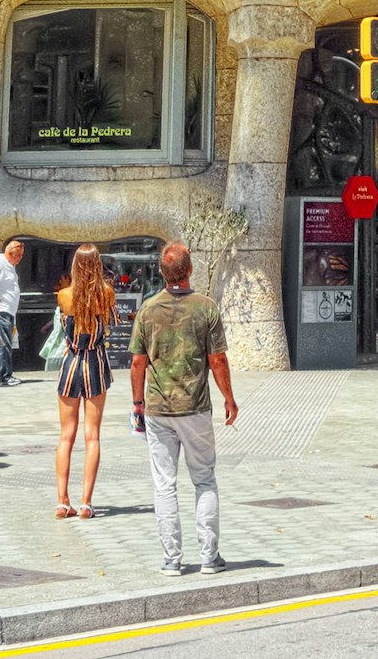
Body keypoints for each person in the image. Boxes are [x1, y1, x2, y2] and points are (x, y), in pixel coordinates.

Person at [126, 238, 236, 577]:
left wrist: (138, 404)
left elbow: (137, 363)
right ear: (190, 270)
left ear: (162, 272)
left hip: (159, 409)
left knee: (164, 484)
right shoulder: (205, 307)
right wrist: (229, 398)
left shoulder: (147, 309)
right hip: (196, 406)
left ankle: (171, 560)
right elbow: (217, 360)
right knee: (204, 480)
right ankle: (209, 557)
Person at [53, 244, 115, 519]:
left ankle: (62, 501)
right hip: (95, 363)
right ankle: (86, 502)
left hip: (71, 363)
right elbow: (109, 323)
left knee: (66, 436)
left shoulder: (64, 296)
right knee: (93, 436)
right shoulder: (107, 294)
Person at [0, 237, 27, 387]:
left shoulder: (10, 266)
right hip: (1, 310)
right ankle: (5, 376)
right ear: (10, 253)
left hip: (9, 312)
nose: (21, 258)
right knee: (4, 344)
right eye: (19, 255)